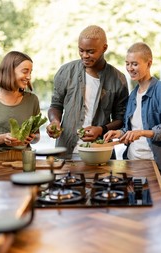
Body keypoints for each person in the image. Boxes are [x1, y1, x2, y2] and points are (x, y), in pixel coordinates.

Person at [104, 42, 161, 207]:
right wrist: (119, 133)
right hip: (133, 164)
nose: (130, 68)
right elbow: (131, 129)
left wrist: (143, 132)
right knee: (137, 213)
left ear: (149, 63)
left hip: (156, 168)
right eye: (128, 64)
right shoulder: (132, 96)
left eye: (135, 64)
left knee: (160, 217)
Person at [46, 25, 129, 159]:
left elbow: (121, 119)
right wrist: (54, 121)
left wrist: (101, 129)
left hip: (101, 153)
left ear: (104, 48)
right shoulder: (66, 72)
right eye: (81, 50)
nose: (85, 55)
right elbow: (56, 105)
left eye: (90, 51)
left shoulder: (118, 79)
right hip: (66, 152)